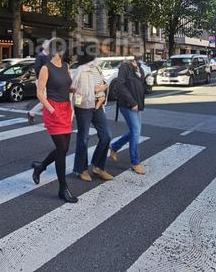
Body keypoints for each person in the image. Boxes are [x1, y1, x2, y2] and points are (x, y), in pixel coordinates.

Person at [31, 38, 78, 203]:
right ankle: (62, 189)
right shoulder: (46, 68)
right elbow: (39, 93)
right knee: (62, 148)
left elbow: (66, 86)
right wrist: (51, 109)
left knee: (63, 149)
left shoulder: (65, 66)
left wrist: (75, 90)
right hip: (53, 110)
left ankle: (40, 167)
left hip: (65, 110)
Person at [71, 51, 113, 182]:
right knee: (83, 138)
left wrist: (102, 92)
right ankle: (81, 169)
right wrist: (95, 90)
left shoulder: (97, 68)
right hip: (84, 107)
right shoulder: (80, 70)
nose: (97, 58)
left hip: (98, 105)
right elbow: (73, 88)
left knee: (106, 135)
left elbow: (104, 84)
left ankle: (98, 166)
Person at [109, 55, 147, 174]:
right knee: (135, 131)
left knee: (135, 132)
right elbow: (120, 86)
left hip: (137, 104)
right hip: (127, 104)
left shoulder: (139, 67)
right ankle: (135, 162)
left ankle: (114, 146)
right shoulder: (124, 67)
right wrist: (132, 102)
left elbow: (140, 85)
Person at [26, 39, 50, 125]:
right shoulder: (40, 56)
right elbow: (37, 69)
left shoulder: (49, 56)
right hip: (41, 81)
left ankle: (33, 114)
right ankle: (31, 113)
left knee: (48, 100)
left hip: (49, 80)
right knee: (45, 100)